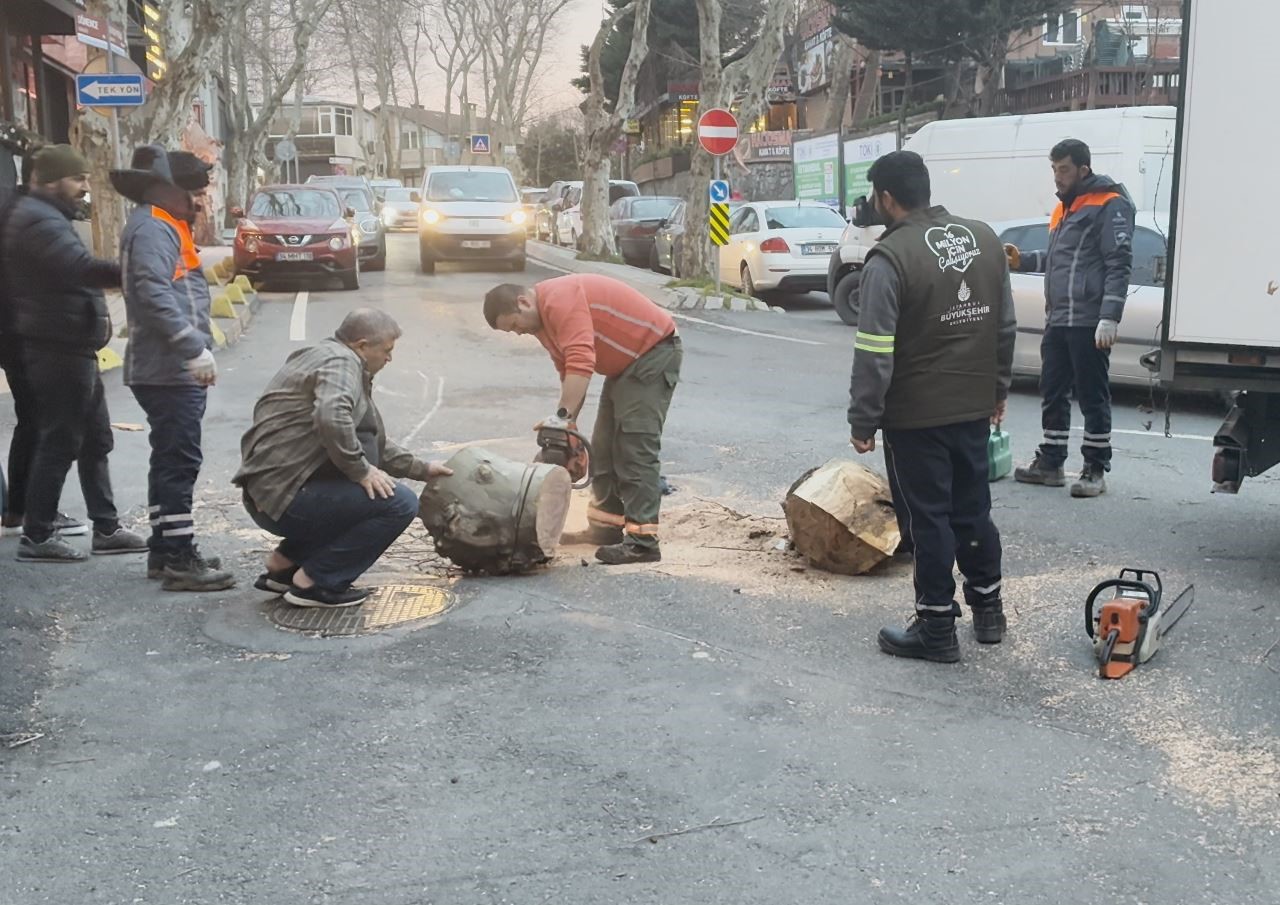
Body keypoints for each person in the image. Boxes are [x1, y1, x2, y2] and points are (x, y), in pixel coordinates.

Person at [847, 150, 1016, 663]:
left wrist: (863, 417)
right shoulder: (985, 240)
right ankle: (989, 613)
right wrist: (998, 391)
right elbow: (1003, 327)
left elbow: (875, 349)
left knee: (928, 521)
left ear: (887, 197)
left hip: (916, 416)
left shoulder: (889, 257)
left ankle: (936, 627)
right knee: (973, 511)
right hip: (971, 407)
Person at [234, 309, 453, 608]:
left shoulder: (323, 355)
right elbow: (332, 416)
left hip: (273, 495)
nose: (389, 359)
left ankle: (284, 566)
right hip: (286, 498)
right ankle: (316, 582)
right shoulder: (342, 362)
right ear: (362, 346)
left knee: (365, 491)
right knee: (398, 504)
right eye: (386, 350)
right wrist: (361, 471)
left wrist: (421, 469)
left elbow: (369, 439)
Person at [0, 145, 147, 562]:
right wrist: (136, 269)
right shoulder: (36, 220)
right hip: (56, 347)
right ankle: (38, 535)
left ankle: (106, 527)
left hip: (73, 345)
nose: (86, 187)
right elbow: (79, 268)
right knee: (60, 439)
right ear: (51, 180)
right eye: (78, 179)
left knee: (96, 438)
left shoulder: (48, 216)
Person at [484, 274, 682, 565]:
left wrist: (561, 419)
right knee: (602, 447)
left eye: (514, 325)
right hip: (625, 365)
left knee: (634, 446)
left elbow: (581, 359)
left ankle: (643, 542)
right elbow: (566, 368)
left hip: (652, 354)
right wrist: (567, 427)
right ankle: (606, 527)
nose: (518, 333)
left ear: (523, 302)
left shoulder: (560, 300)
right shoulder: (541, 324)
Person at [112, 144, 233, 591]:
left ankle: (165, 550)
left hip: (164, 366)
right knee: (179, 461)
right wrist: (192, 349)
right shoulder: (152, 230)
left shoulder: (163, 224)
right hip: (167, 368)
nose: (198, 201)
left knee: (169, 457)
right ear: (166, 189)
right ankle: (180, 559)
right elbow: (153, 295)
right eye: (192, 193)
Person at [1006, 139, 1135, 498]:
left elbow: (1118, 263)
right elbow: (1058, 259)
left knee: (1092, 395)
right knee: (1053, 390)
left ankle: (1094, 469)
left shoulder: (1109, 204)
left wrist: (1109, 317)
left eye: (1063, 169)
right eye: (1054, 170)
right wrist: (1023, 261)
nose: (1057, 177)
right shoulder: (1064, 209)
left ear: (1083, 169)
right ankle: (1051, 462)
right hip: (1059, 319)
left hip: (1089, 320)